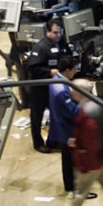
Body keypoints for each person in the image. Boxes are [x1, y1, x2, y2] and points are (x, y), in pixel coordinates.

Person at [53, 79, 103, 206]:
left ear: (79, 93)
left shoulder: (85, 111)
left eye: (72, 90)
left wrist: (82, 158)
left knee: (81, 190)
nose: (70, 92)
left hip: (91, 159)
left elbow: (89, 140)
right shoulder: (98, 103)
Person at [25, 19, 64, 152]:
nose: (58, 35)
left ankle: (53, 141)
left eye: (60, 33)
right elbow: (32, 67)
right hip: (38, 89)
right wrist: (49, 72)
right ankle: (38, 143)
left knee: (55, 114)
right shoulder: (40, 47)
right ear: (47, 31)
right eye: (55, 33)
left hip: (51, 88)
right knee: (37, 116)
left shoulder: (58, 44)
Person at [48, 54, 81, 193]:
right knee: (72, 161)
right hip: (68, 130)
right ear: (67, 70)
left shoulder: (55, 80)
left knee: (67, 160)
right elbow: (73, 111)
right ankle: (75, 189)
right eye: (74, 70)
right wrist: (83, 100)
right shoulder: (62, 91)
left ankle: (70, 187)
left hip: (59, 126)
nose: (75, 72)